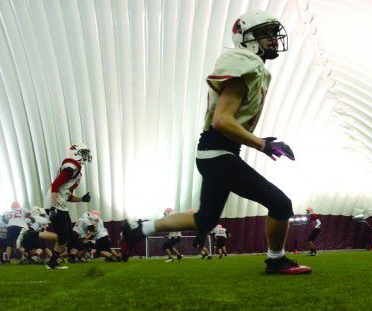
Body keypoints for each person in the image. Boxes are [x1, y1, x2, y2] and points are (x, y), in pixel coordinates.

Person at [121, 11, 311, 274]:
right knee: (281, 204)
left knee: (205, 219)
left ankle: (140, 229)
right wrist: (262, 144)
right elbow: (222, 120)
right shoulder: (245, 62)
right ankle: (276, 260)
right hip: (218, 152)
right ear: (247, 38)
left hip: (218, 152)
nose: (274, 39)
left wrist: (259, 141)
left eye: (273, 32)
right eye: (265, 33)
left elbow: (227, 121)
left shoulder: (254, 68)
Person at [44, 144, 92, 269]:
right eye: (84, 153)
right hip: (55, 204)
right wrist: (53, 207)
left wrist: (81, 199)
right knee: (63, 236)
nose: (86, 156)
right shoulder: (71, 167)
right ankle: (51, 261)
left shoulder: (74, 168)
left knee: (69, 235)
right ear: (76, 153)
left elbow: (66, 195)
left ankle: (52, 262)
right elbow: (55, 186)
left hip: (60, 204)